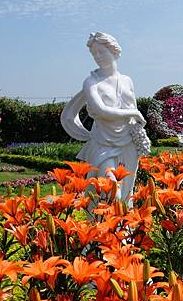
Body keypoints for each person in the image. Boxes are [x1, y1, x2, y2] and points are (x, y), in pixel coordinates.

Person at [61, 32, 149, 208]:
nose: (98, 57)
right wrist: (132, 113)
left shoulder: (127, 81)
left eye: (101, 52)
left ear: (113, 50)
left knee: (126, 193)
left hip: (128, 142)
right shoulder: (91, 82)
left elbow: (132, 111)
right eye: (94, 54)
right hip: (103, 142)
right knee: (111, 189)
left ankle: (122, 233)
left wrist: (138, 131)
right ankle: (102, 230)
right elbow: (102, 111)